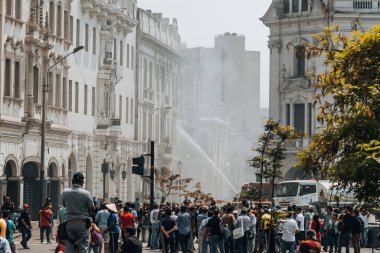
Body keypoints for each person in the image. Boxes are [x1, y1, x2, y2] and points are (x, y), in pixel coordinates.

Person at [62, 172, 95, 253]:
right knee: (83, 247)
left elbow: (64, 205)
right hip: (82, 223)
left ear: (72, 181)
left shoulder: (64, 192)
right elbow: (92, 208)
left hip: (69, 222)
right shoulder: (86, 193)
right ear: (82, 182)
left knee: (69, 246)